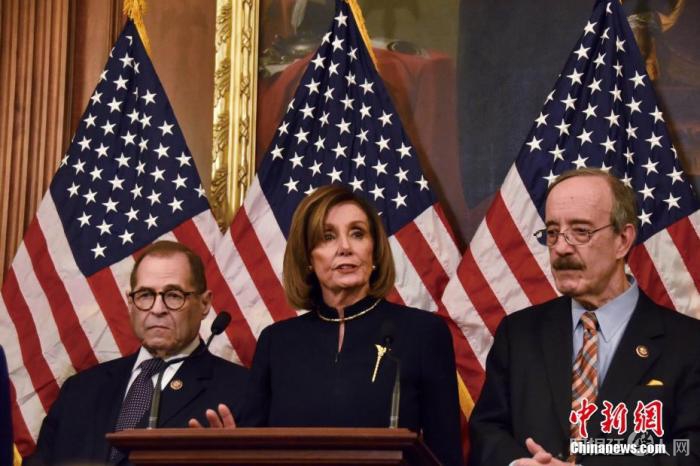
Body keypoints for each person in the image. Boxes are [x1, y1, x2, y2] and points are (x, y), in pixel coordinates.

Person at [196, 185, 463, 465]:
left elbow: (445, 456)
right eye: (327, 237)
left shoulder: (423, 333)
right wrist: (233, 454)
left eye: (357, 233)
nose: (345, 247)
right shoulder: (277, 342)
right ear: (308, 258)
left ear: (374, 251)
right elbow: (257, 453)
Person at [468, 168, 700, 466]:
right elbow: (487, 430)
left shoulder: (689, 343)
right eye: (553, 232)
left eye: (580, 231)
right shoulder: (519, 333)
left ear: (623, 240)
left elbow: (691, 450)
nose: (561, 248)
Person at [27, 240, 248, 466]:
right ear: (130, 303)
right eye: (145, 295)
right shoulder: (79, 390)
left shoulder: (243, 391)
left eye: (174, 295)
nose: (157, 309)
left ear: (204, 303)